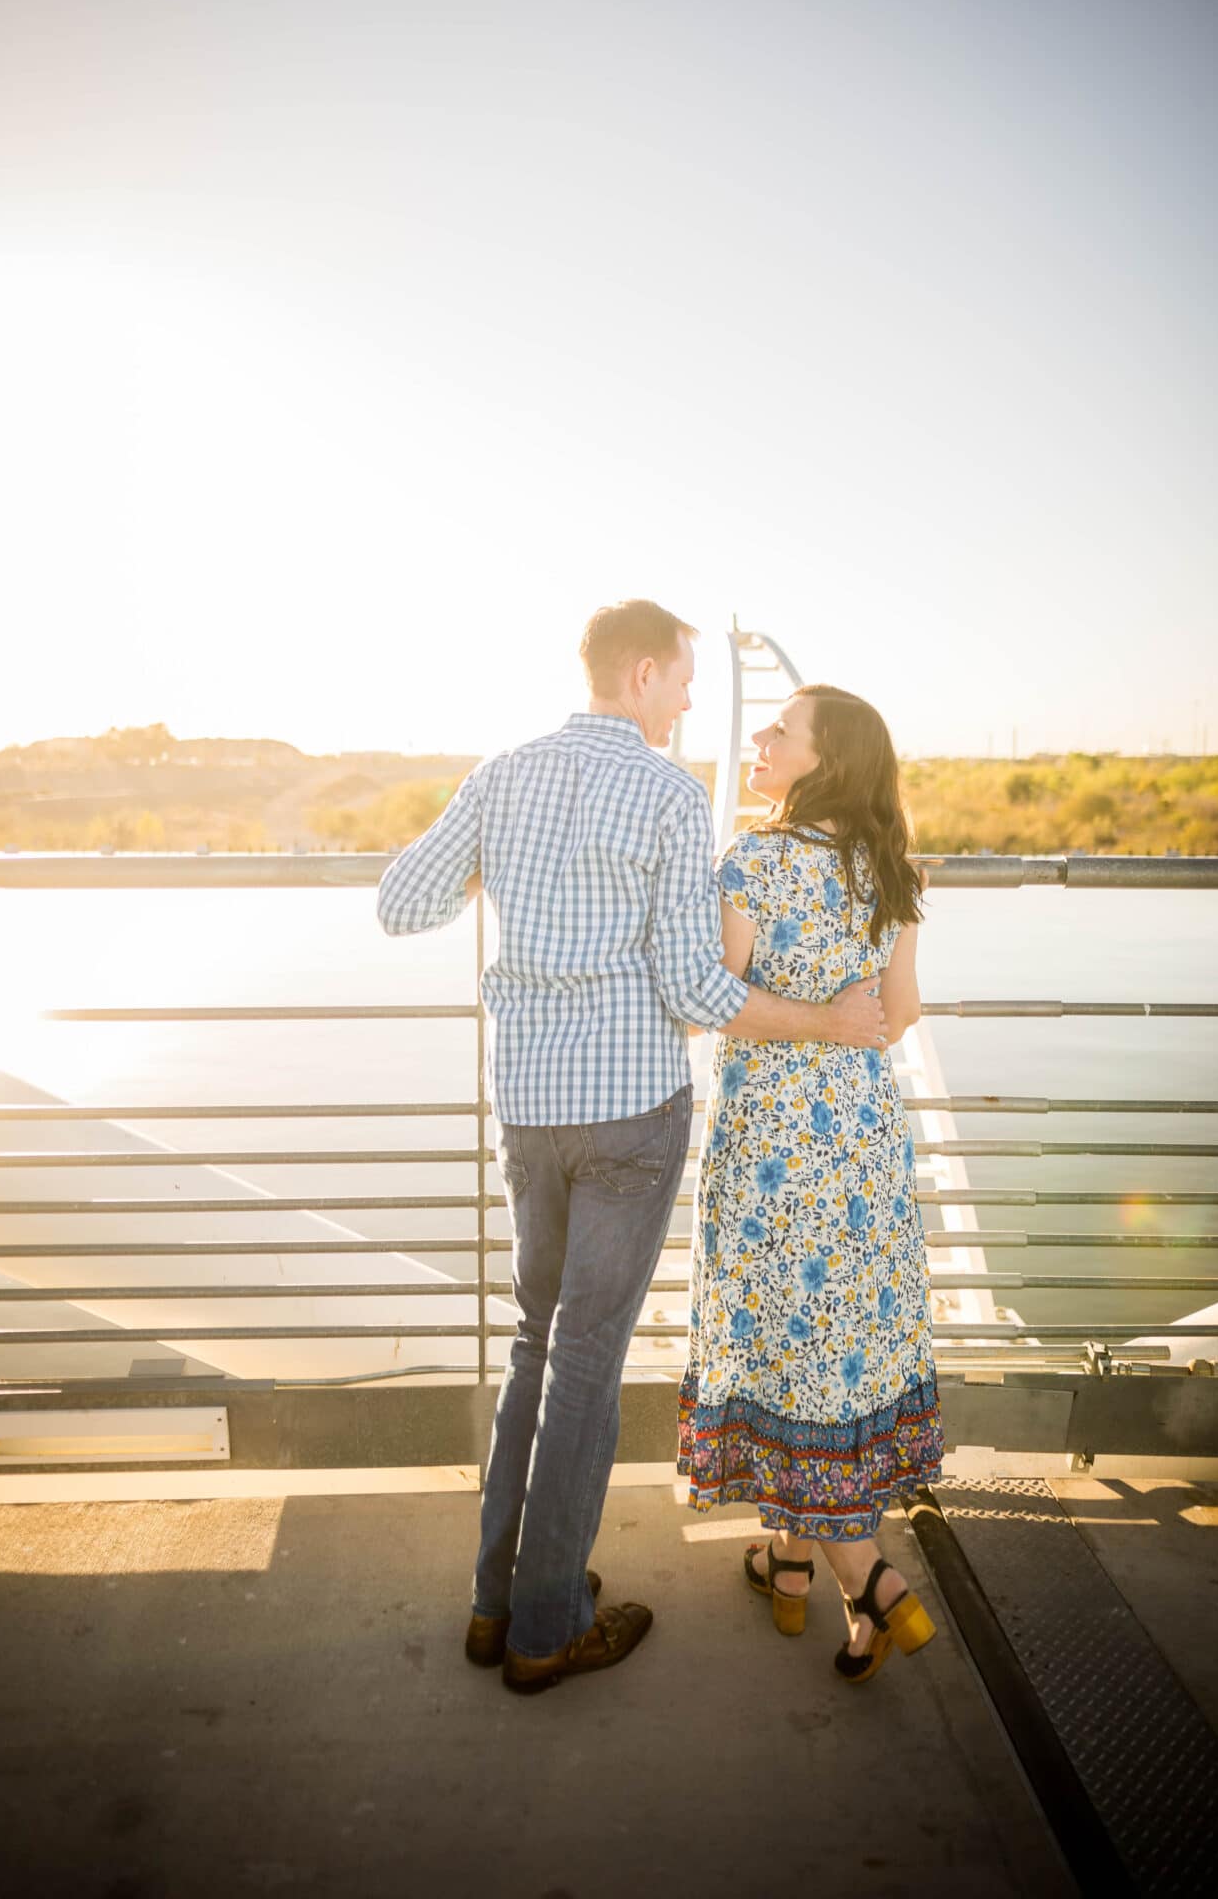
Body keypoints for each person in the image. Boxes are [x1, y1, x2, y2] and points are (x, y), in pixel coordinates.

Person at [377, 604, 889, 1695]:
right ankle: (548, 1627)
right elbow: (698, 991)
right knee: (589, 1363)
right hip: (629, 1114)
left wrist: (494, 877)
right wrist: (826, 1022)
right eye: (687, 682)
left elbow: (400, 901)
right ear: (645, 672)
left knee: (532, 1344)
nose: (696, 702)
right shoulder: (669, 794)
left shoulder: (501, 774)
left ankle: (492, 1603)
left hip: (527, 1104)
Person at [677, 683, 943, 1683]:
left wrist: (808, 1028)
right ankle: (786, 1565)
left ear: (823, 760)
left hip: (774, 1152)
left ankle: (864, 1574)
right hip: (866, 1146)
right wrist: (843, 1031)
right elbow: (900, 1012)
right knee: (831, 1345)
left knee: (779, 1339)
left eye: (781, 729)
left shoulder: (755, 860)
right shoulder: (892, 870)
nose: (762, 735)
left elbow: (719, 1002)